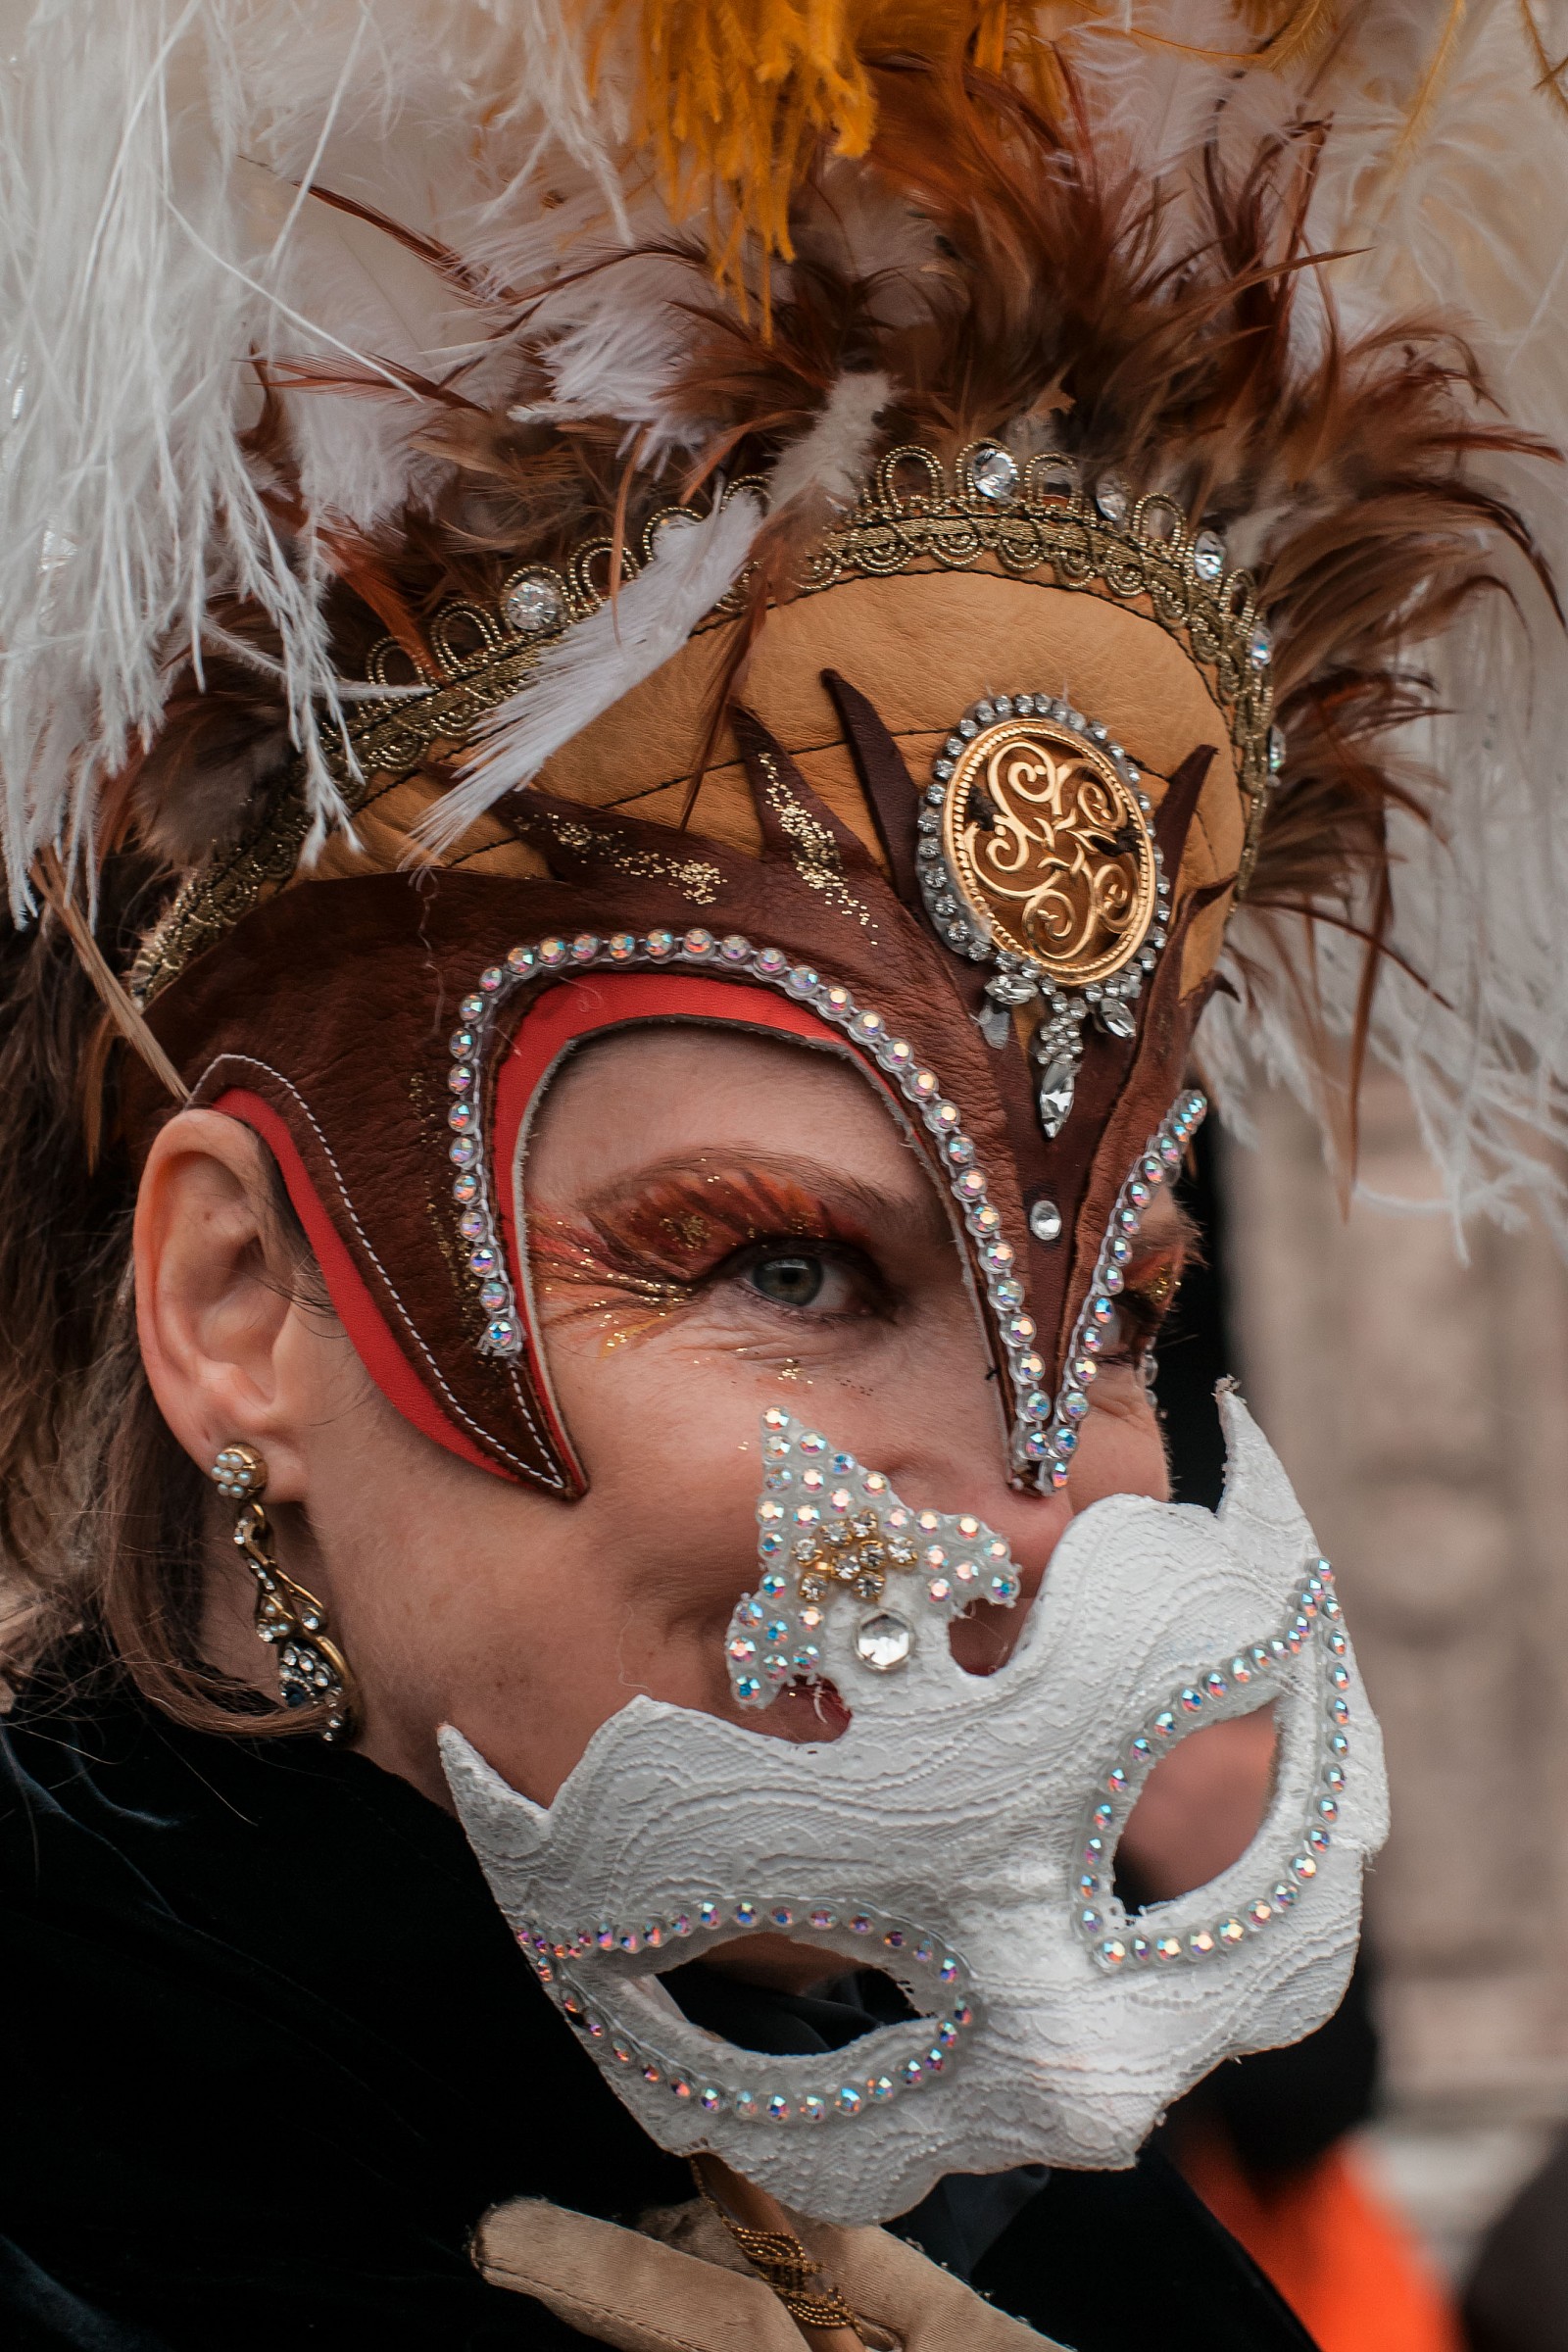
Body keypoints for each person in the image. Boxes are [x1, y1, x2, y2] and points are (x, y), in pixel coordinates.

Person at [1, 8, 1564, 2349]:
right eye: (782, 1264)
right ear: (241, 1302)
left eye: (1117, 1317)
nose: (1044, 1523)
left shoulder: (1093, 2278)